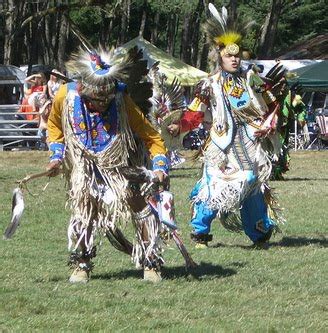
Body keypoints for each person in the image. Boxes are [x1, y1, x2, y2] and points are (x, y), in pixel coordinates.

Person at [46, 47, 169, 283]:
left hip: (119, 163)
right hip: (85, 165)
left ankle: (151, 262)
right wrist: (56, 157)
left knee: (138, 202)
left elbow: (152, 137)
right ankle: (81, 263)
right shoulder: (65, 96)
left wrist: (160, 166)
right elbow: (55, 127)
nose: (103, 104)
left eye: (107, 99)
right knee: (85, 206)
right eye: (96, 99)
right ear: (83, 89)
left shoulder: (122, 101)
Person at [168, 4, 284, 248]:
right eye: (229, 55)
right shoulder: (209, 85)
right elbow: (195, 114)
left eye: (237, 55)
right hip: (221, 147)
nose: (234, 58)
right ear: (218, 56)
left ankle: (259, 232)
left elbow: (272, 106)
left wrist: (271, 122)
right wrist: (179, 126)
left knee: (252, 186)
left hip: (251, 143)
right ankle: (200, 232)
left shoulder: (251, 80)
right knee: (215, 187)